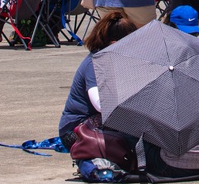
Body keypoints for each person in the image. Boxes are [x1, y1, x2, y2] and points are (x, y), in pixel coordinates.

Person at [58, 11, 139, 150]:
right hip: (75, 130)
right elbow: (100, 105)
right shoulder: (95, 64)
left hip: (96, 121)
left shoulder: (117, 61)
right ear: (115, 43)